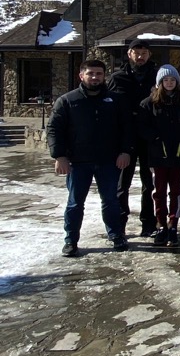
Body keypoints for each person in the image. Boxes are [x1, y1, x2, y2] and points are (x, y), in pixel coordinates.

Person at [47, 60, 134, 256]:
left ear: (104, 76)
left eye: (99, 74)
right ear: (81, 76)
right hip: (78, 162)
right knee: (75, 203)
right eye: (91, 74)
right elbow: (54, 129)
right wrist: (59, 156)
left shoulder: (115, 101)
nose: (95, 77)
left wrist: (125, 151)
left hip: (109, 161)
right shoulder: (68, 101)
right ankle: (71, 240)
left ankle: (116, 235)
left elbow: (127, 128)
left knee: (111, 200)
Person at [107, 38, 158, 237]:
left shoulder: (156, 77)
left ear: (149, 55)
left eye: (144, 52)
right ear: (129, 54)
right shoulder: (117, 78)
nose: (140, 56)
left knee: (149, 183)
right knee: (122, 183)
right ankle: (119, 222)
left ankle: (148, 223)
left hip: (148, 137)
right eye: (136, 52)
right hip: (124, 138)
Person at [138, 65, 180, 247]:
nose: (169, 83)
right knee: (158, 192)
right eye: (166, 80)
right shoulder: (149, 103)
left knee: (176, 192)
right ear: (160, 83)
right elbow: (142, 126)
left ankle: (173, 224)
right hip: (157, 155)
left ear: (177, 82)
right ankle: (160, 224)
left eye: (172, 80)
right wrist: (154, 138)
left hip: (179, 155)